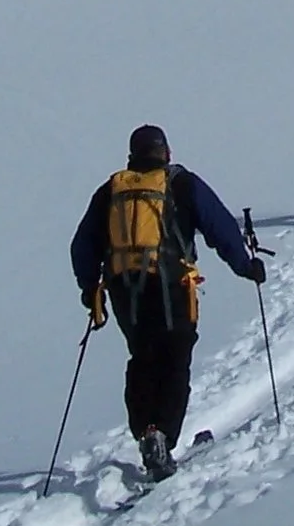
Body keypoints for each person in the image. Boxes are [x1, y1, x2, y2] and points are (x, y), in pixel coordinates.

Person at [70, 124, 264, 481]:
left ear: (132, 154)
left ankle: (146, 433)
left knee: (142, 358)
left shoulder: (111, 190)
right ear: (166, 152)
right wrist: (246, 266)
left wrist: (89, 288)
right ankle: (162, 438)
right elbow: (218, 225)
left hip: (123, 287)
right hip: (171, 284)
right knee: (175, 358)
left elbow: (81, 245)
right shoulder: (181, 183)